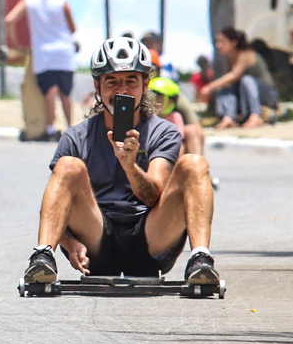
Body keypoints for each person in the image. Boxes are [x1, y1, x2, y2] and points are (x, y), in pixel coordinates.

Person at [23, 37, 220, 287]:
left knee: (194, 163)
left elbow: (153, 197)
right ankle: (42, 256)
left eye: (131, 81)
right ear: (97, 86)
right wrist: (68, 241)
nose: (122, 90)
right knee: (68, 166)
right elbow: (54, 205)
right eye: (112, 82)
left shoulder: (164, 132)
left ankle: (201, 258)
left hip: (151, 240)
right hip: (97, 240)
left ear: (145, 84)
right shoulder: (75, 137)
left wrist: (130, 165)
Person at [4, 0, 77, 142]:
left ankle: (50, 129)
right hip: (64, 53)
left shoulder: (29, 0)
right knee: (65, 93)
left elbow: (9, 20)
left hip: (42, 54)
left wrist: (17, 44)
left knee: (49, 92)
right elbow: (73, 28)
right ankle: (72, 129)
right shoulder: (62, 2)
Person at [199, 27, 279, 129]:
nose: (218, 45)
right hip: (245, 96)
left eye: (222, 42)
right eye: (217, 41)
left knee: (246, 80)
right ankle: (229, 117)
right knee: (225, 86)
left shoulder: (245, 53)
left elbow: (234, 75)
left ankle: (255, 116)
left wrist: (209, 87)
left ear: (233, 43)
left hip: (266, 93)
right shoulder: (227, 61)